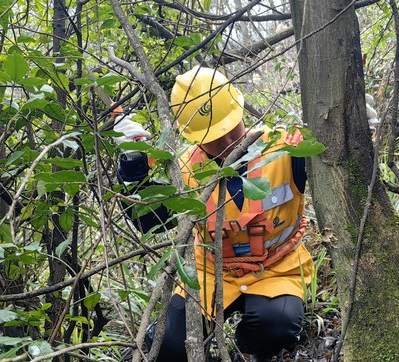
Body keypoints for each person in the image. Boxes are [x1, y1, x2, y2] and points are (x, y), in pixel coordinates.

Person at [113, 66, 314, 361]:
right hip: (209, 273)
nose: (226, 140)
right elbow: (149, 221)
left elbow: (335, 171)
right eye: (213, 135)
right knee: (168, 345)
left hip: (277, 269)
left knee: (275, 327)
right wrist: (133, 170)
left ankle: (246, 351)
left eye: (230, 126)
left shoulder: (286, 149)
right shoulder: (184, 169)